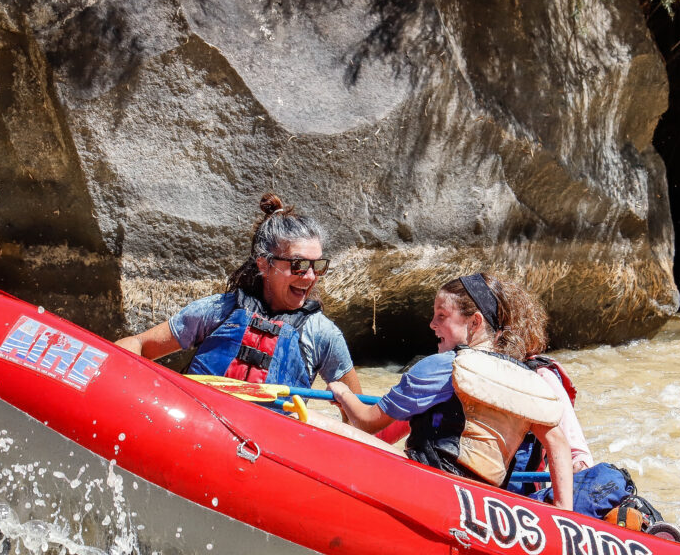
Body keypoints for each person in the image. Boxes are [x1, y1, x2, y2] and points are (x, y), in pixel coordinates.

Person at [328, 273, 575, 510]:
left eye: (442, 315)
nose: (432, 324)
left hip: (428, 486)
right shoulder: (526, 380)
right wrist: (564, 511)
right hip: (479, 503)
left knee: (309, 423)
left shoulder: (441, 365)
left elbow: (368, 422)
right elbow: (558, 443)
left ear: (475, 322)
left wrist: (343, 394)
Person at [116, 193, 362, 393]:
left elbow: (358, 417)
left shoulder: (322, 334)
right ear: (264, 264)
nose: (310, 277)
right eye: (298, 265)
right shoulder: (218, 311)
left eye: (317, 265)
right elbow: (138, 344)